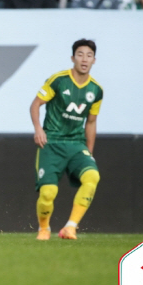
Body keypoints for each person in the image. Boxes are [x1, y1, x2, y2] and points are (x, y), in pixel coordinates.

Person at [30, 39, 103, 240]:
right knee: (47, 194)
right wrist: (38, 129)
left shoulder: (96, 90)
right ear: (73, 58)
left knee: (92, 177)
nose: (84, 59)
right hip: (51, 142)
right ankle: (43, 228)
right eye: (80, 54)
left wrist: (89, 150)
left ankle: (70, 227)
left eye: (89, 55)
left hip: (76, 144)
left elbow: (91, 122)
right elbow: (36, 105)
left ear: (94, 60)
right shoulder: (58, 80)